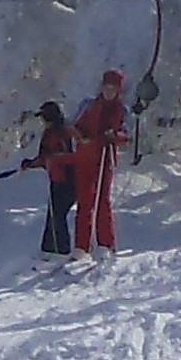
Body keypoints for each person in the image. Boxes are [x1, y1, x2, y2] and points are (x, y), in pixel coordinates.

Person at [69, 68, 131, 259]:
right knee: (85, 200)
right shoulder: (89, 105)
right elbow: (73, 126)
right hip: (86, 156)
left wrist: (115, 136)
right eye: (107, 87)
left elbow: (126, 134)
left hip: (105, 156)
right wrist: (81, 137)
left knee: (102, 199)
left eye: (113, 89)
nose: (109, 92)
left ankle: (105, 244)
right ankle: (81, 247)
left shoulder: (121, 110)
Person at [22, 101, 79, 259]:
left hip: (67, 179)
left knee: (57, 216)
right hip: (57, 179)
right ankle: (50, 251)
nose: (43, 121)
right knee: (54, 215)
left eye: (44, 118)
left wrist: (53, 159)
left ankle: (60, 251)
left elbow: (69, 156)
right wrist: (31, 164)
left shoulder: (64, 132)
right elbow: (45, 157)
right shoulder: (51, 133)